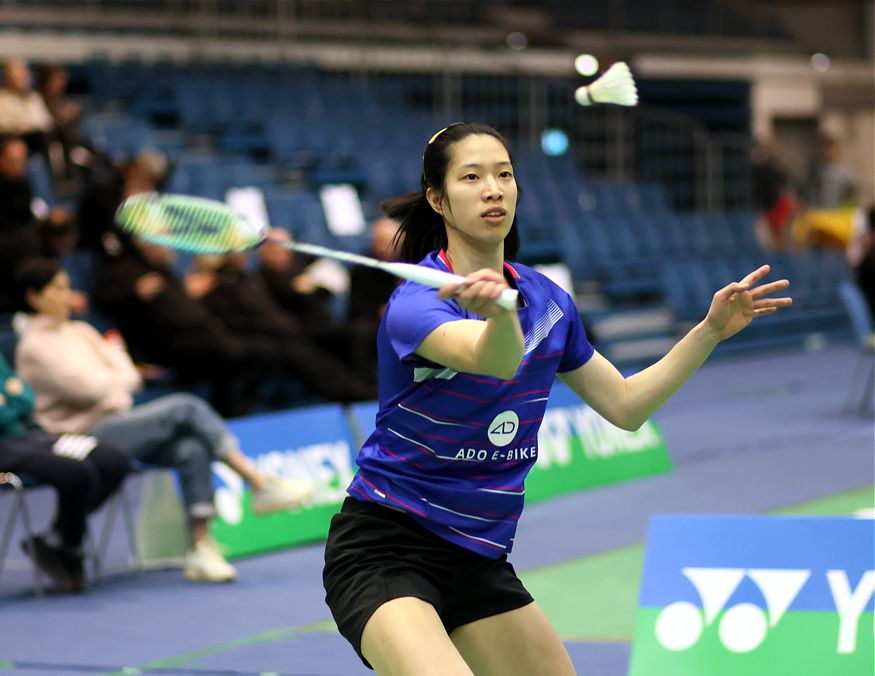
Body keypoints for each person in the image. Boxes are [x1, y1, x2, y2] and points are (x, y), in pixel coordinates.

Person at [322, 122, 793, 675]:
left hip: (478, 555)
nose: (493, 189)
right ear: (438, 199)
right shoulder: (418, 302)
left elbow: (626, 406)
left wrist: (708, 332)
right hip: (385, 547)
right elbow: (495, 360)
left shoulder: (548, 303)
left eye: (503, 175)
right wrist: (500, 313)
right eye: (471, 177)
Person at [14, 258, 315, 584]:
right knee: (185, 407)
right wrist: (114, 375)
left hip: (121, 422)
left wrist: (112, 378)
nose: (68, 295)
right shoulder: (34, 346)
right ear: (34, 297)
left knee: (191, 448)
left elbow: (128, 374)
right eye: (58, 289)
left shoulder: (81, 331)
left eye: (67, 286)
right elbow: (89, 388)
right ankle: (257, 481)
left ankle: (201, 548)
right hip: (80, 436)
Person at [0, 352, 130, 593]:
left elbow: (26, 400)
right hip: (4, 450)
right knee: (76, 473)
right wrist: (11, 402)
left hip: (30, 436)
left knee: (112, 461)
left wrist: (9, 403)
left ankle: (55, 539)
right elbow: (13, 404)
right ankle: (69, 547)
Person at [0, 134, 75, 311]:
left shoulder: (23, 185)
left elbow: (27, 218)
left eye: (22, 160)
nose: (19, 166)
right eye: (13, 160)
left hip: (22, 250)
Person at [0, 60, 54, 157]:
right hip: (13, 138)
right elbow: (3, 124)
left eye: (24, 74)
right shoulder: (2, 98)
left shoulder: (34, 98)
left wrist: (30, 126)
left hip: (36, 136)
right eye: (18, 75)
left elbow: (47, 122)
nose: (23, 78)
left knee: (59, 133)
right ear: (8, 77)